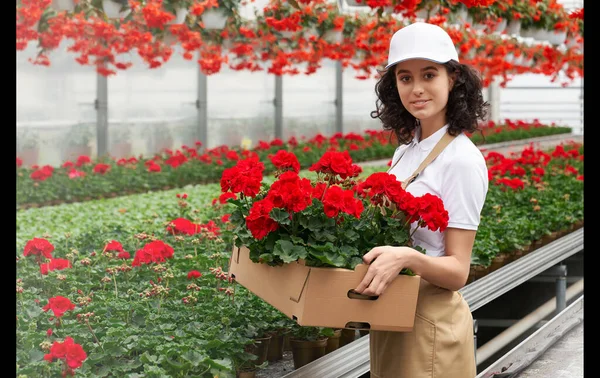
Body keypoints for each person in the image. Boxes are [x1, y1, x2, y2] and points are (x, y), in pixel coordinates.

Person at [354, 21, 490, 378]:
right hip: (392, 315)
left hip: (430, 324)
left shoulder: (461, 159)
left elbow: (458, 270)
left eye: (429, 75)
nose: (417, 89)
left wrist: (407, 257)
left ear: (453, 78)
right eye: (405, 78)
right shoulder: (406, 151)